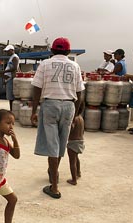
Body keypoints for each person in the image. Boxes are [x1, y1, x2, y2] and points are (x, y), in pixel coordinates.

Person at [31, 37, 85, 199]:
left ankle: (54, 186)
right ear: (68, 52)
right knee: (61, 144)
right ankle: (53, 172)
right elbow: (80, 93)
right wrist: (75, 115)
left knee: (52, 145)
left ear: (52, 50)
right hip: (69, 106)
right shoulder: (75, 66)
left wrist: (34, 110)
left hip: (50, 105)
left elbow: (37, 88)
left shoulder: (45, 64)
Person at [0, 45, 19, 111]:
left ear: (12, 50)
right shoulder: (11, 57)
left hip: (11, 78)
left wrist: (4, 71)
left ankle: (12, 110)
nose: (7, 52)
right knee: (9, 96)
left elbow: (14, 68)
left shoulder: (15, 57)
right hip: (8, 78)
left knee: (11, 96)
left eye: (8, 51)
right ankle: (11, 110)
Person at [67, 101, 85, 185]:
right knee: (76, 158)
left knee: (72, 162)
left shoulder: (73, 119)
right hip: (81, 141)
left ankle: (74, 179)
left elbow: (70, 130)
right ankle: (78, 172)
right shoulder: (81, 118)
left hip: (73, 142)